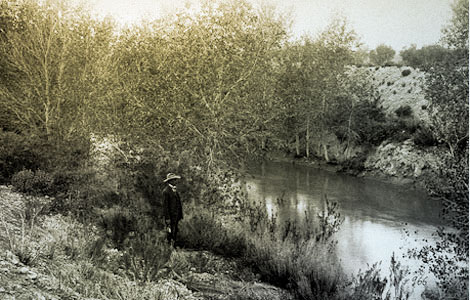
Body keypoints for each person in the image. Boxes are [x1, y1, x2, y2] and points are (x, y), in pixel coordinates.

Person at [162, 173, 183, 243]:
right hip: (170, 216)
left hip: (176, 215)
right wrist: (167, 218)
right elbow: (165, 206)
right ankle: (169, 247)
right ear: (170, 181)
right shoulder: (166, 191)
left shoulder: (175, 191)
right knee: (170, 231)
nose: (175, 181)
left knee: (175, 230)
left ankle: (173, 245)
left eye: (175, 179)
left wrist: (180, 214)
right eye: (174, 180)